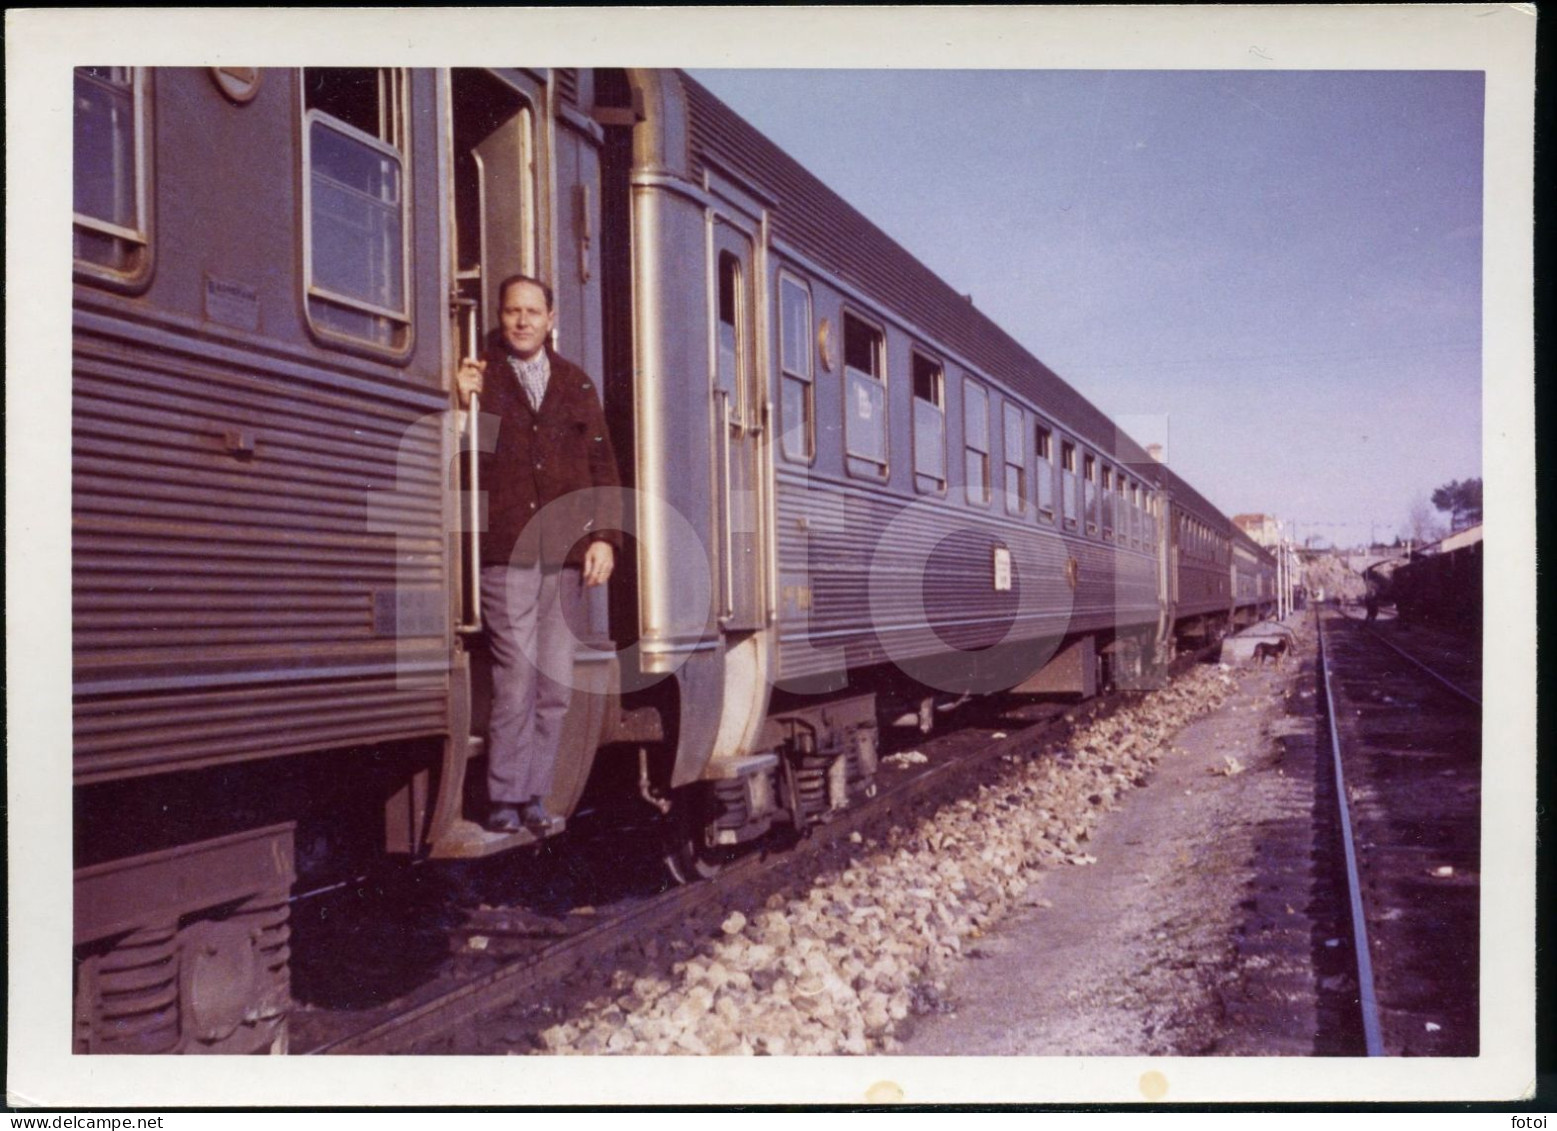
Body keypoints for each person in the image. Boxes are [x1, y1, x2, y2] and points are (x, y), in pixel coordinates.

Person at [455, 275, 622, 834]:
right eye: (511, 311)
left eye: (532, 311)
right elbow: (464, 461)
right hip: (507, 553)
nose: (522, 320)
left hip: (567, 555)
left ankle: (534, 795)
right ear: (500, 318)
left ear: (552, 319)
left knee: (554, 686)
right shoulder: (482, 377)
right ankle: (503, 797)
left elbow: (602, 465)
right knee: (517, 678)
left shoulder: (576, 385)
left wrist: (604, 538)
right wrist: (462, 405)